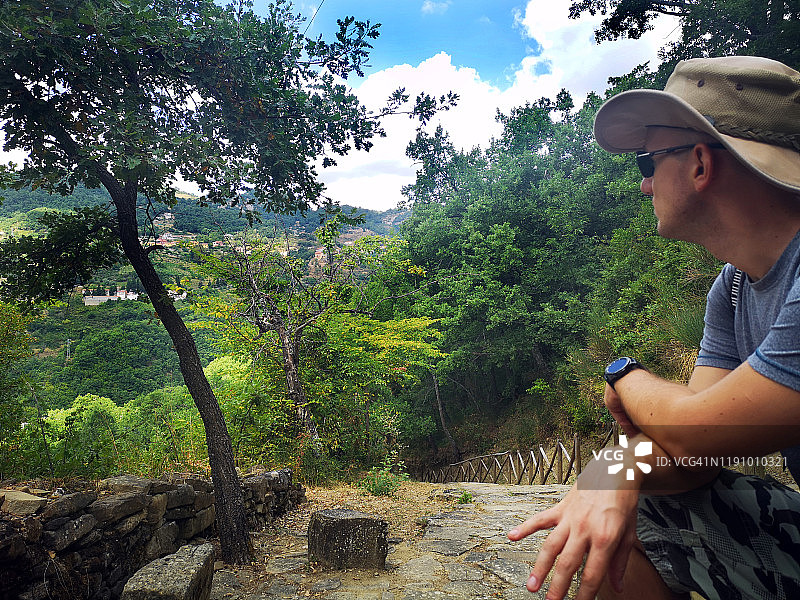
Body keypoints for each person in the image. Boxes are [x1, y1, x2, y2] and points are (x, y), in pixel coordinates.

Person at [508, 55, 800, 600]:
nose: (644, 186)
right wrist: (614, 466)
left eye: (647, 161)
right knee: (629, 509)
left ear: (698, 165)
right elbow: (698, 456)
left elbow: (692, 430)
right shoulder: (733, 290)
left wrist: (623, 375)